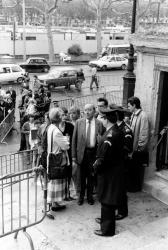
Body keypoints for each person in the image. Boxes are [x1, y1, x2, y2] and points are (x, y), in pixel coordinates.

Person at [93, 107, 125, 237]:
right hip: (114, 171)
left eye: (102, 117)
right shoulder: (116, 130)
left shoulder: (110, 136)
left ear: (106, 119)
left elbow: (102, 158)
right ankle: (105, 219)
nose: (101, 120)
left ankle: (107, 229)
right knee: (108, 199)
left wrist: (95, 168)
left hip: (109, 173)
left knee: (107, 199)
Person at [72, 104, 105, 206]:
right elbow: (74, 140)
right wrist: (73, 156)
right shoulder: (79, 122)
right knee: (81, 177)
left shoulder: (99, 123)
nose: (87, 112)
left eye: (89, 110)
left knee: (91, 176)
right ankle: (81, 197)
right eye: (85, 110)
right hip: (81, 153)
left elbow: (102, 139)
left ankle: (90, 197)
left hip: (93, 153)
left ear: (94, 111)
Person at [109, 104, 133, 220]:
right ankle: (115, 209)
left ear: (117, 115)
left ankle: (122, 211)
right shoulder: (116, 127)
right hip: (115, 163)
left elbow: (128, 148)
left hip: (121, 163)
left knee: (121, 189)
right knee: (116, 188)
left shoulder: (125, 129)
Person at [47, 108, 69, 217]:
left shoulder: (50, 128)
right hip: (57, 158)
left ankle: (54, 202)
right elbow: (65, 145)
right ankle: (54, 204)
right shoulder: (57, 131)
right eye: (61, 115)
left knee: (53, 180)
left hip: (51, 156)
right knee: (56, 180)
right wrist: (66, 139)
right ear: (58, 117)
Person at [128, 96, 149, 192]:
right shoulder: (133, 115)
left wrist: (139, 148)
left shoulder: (143, 116)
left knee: (136, 168)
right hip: (133, 147)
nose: (128, 108)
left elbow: (144, 133)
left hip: (137, 148)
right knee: (132, 168)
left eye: (129, 106)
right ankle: (131, 186)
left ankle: (135, 188)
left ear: (134, 105)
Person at [59, 107, 74, 200]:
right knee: (60, 174)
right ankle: (60, 195)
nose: (65, 116)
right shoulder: (54, 126)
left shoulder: (70, 126)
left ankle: (67, 194)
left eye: (66, 114)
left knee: (68, 174)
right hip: (59, 155)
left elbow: (73, 140)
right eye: (62, 115)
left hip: (68, 153)